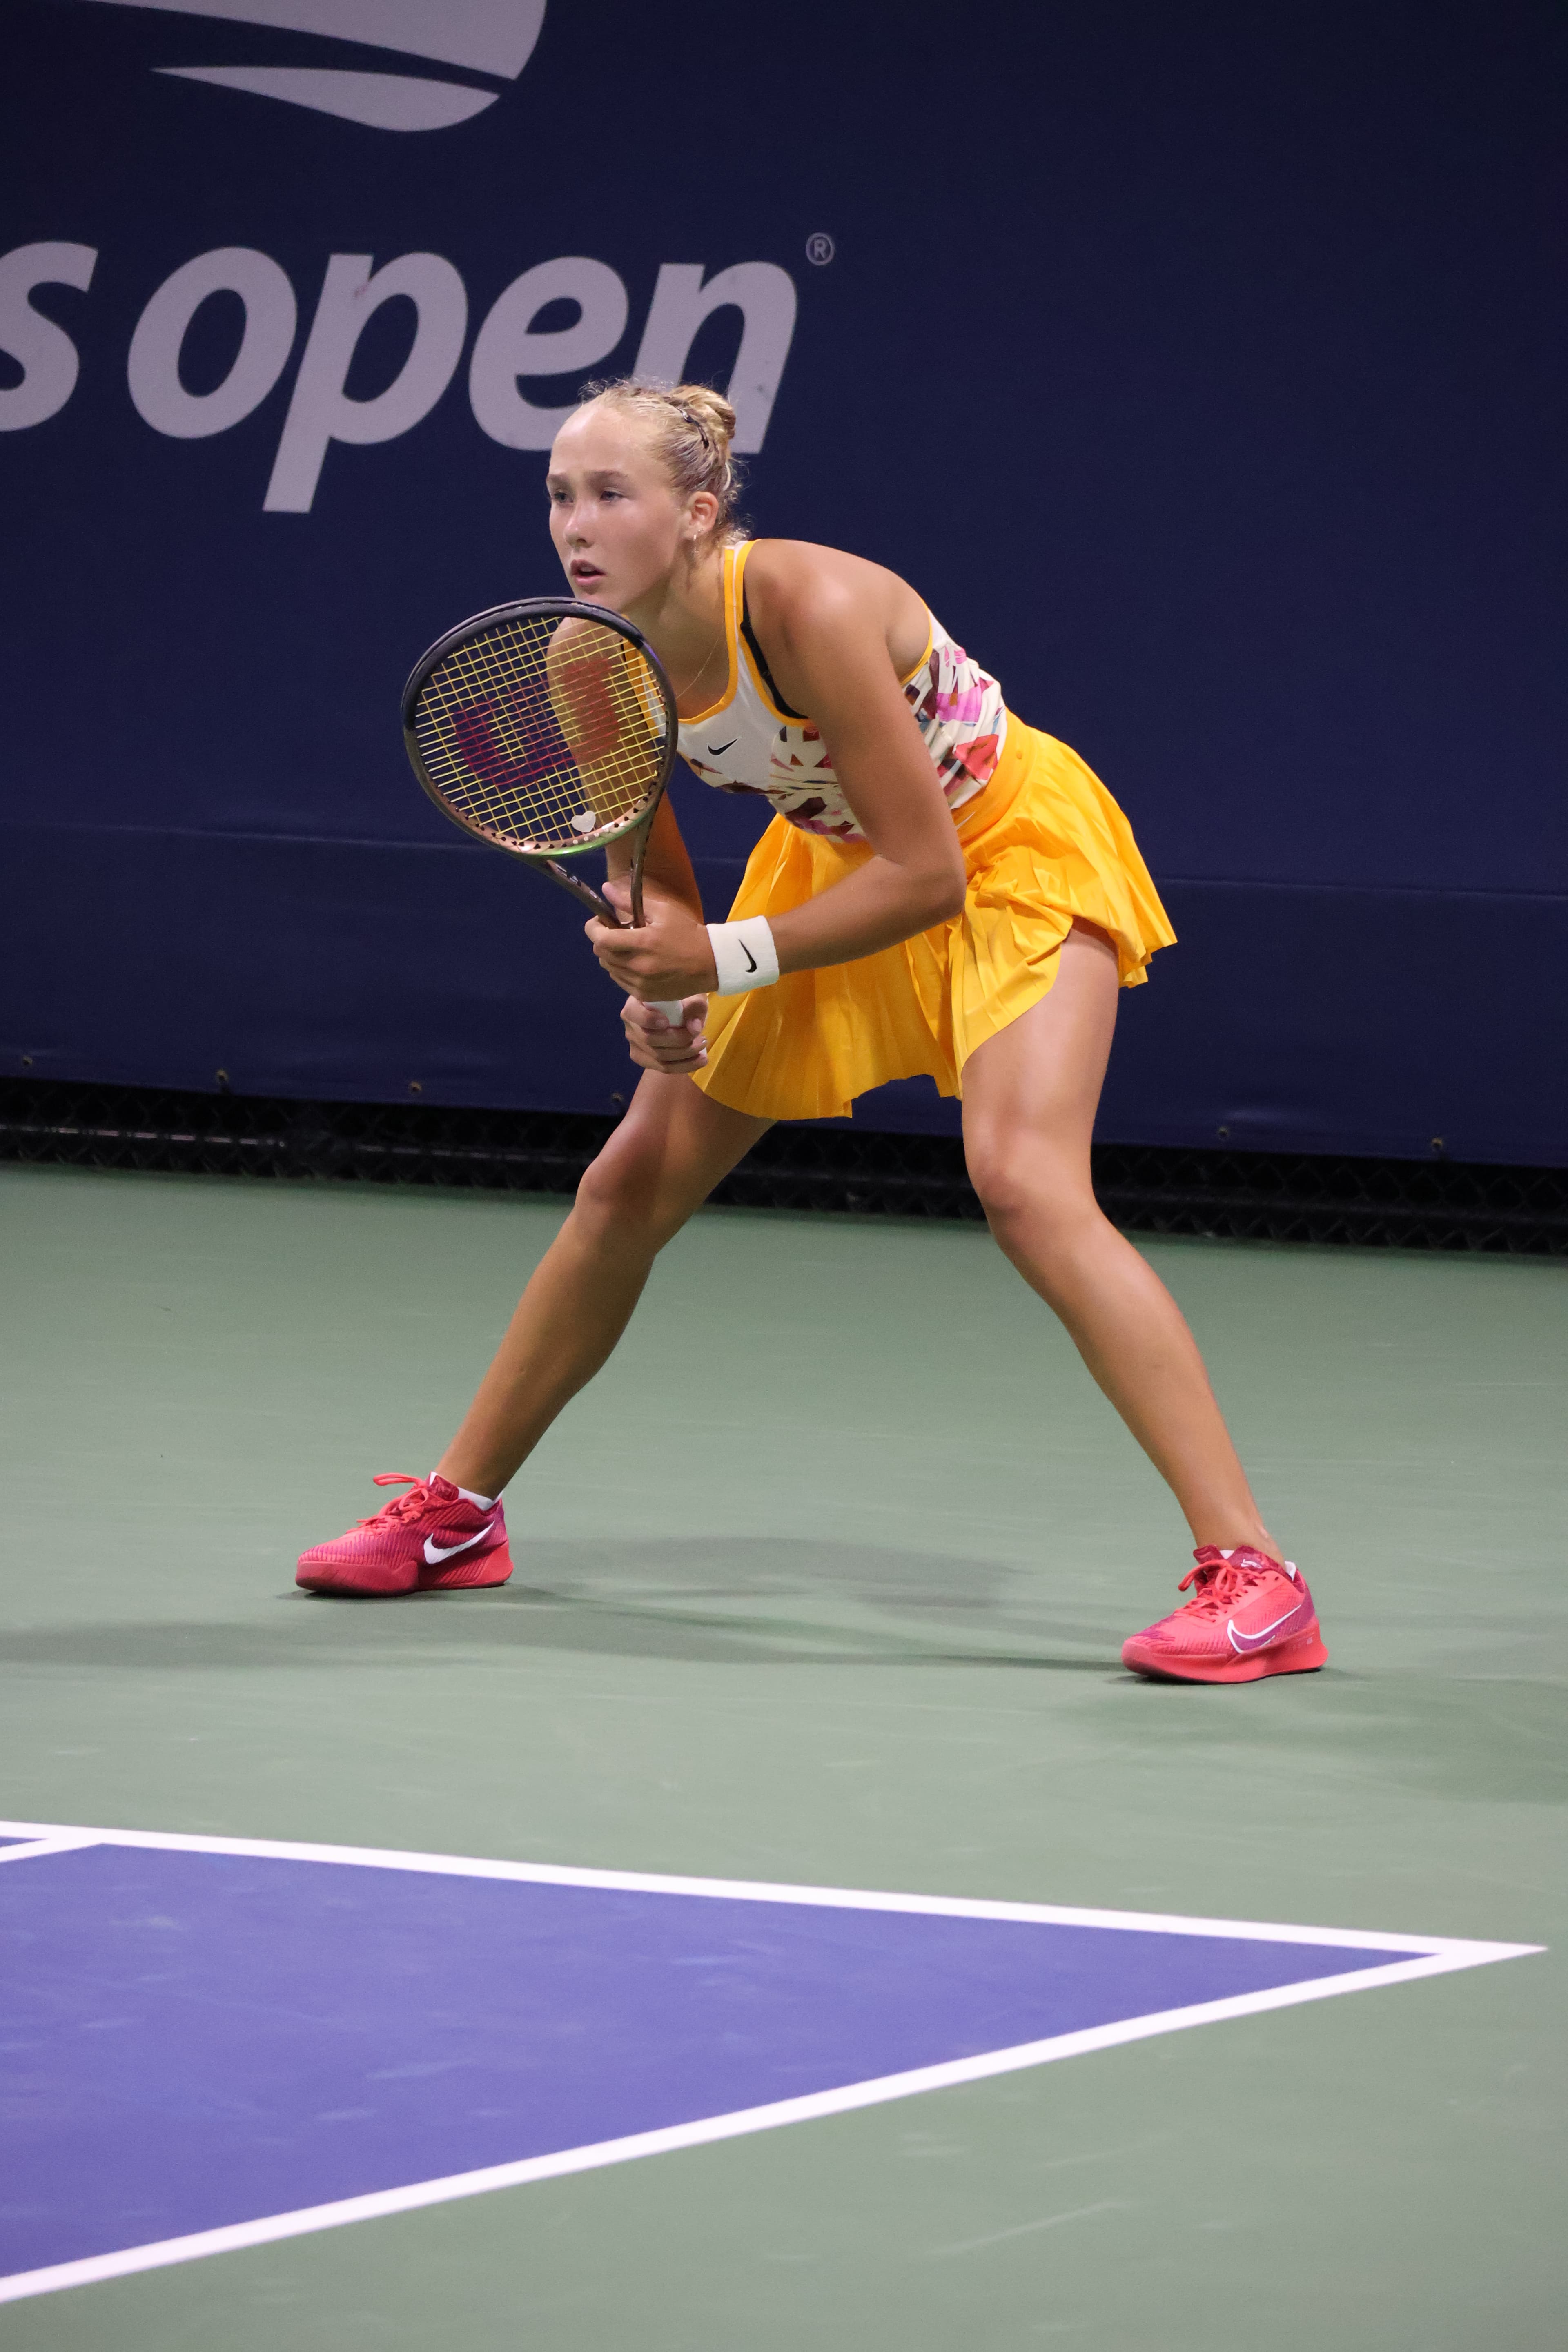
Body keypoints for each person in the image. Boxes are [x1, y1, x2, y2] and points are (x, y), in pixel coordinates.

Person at [296, 379, 1327, 1685]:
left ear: (698, 514)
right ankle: (459, 1514)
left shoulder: (811, 606)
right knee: (629, 1181)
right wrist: (666, 991)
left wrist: (718, 960)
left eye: (613, 495)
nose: (577, 524)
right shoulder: (586, 656)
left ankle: (1258, 1580)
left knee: (1025, 1185)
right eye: (561, 495)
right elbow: (655, 877)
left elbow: (932, 873)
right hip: (834, 866)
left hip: (1004, 851)